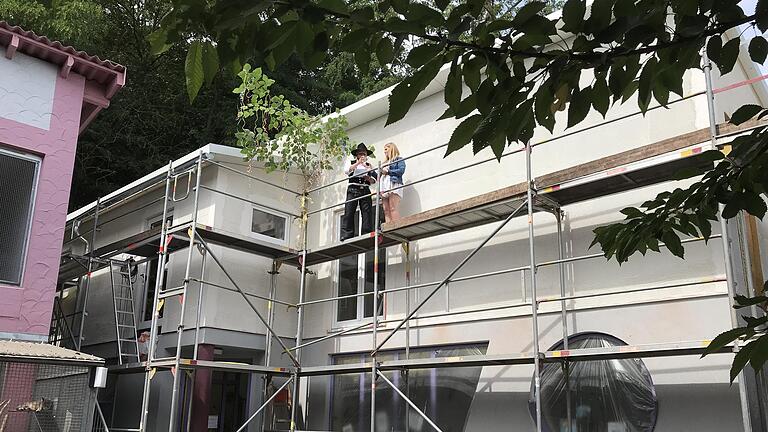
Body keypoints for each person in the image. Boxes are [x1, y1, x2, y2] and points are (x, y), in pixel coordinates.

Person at [341, 143, 377, 241]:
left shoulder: (369, 165)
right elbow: (347, 171)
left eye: (364, 154)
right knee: (349, 211)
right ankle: (347, 234)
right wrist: (358, 163)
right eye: (360, 154)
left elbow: (374, 179)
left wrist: (368, 177)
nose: (362, 156)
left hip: (365, 189)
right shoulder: (351, 162)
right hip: (353, 189)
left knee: (367, 211)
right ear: (357, 155)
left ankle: (367, 232)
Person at [380, 142, 406, 222]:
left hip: (393, 184)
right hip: (384, 185)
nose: (384, 152)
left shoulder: (398, 159)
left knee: (392, 207)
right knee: (386, 210)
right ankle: (388, 228)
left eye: (386, 149)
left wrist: (388, 172)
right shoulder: (384, 163)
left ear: (391, 148)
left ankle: (396, 226)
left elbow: (401, 171)